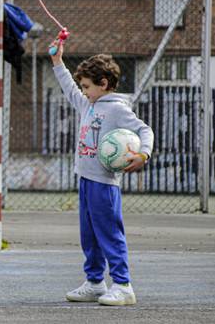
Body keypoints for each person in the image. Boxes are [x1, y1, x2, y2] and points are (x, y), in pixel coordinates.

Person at [50, 46, 154, 306]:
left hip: (104, 184)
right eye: (82, 87)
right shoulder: (88, 103)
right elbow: (69, 88)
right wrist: (57, 61)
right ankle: (95, 282)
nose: (83, 91)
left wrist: (143, 155)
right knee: (89, 235)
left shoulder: (117, 109)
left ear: (103, 84)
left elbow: (145, 130)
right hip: (85, 179)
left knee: (109, 234)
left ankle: (123, 285)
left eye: (86, 86)